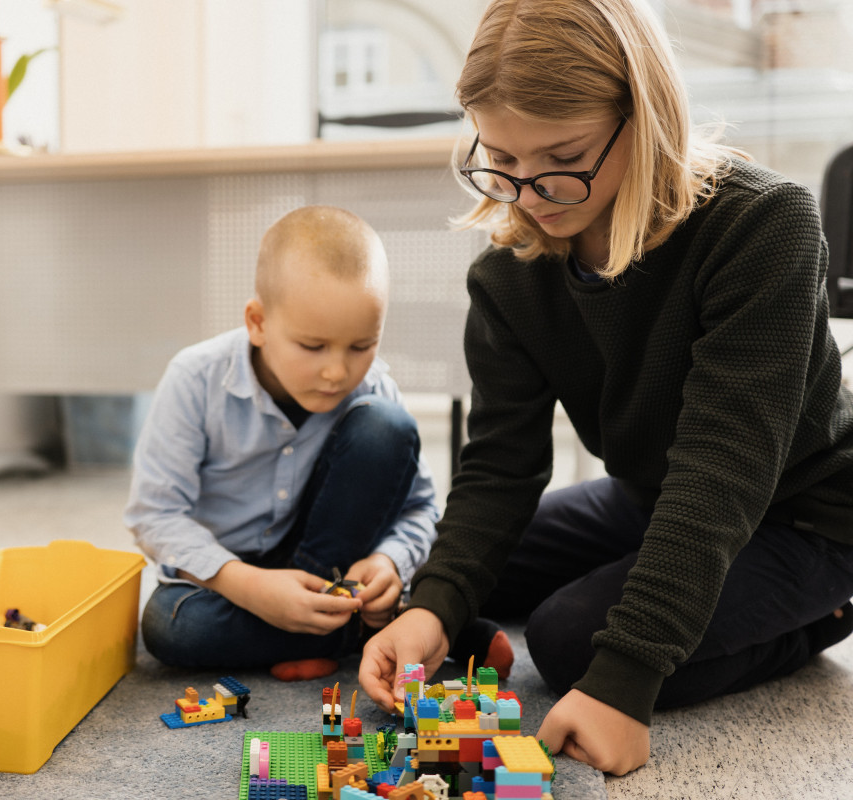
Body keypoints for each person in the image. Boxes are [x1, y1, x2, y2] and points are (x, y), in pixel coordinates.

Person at [358, 0, 853, 777]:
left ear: (645, 113)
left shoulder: (766, 226)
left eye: (563, 156)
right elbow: (499, 470)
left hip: (808, 515)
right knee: (446, 574)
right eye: (502, 160)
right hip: (651, 494)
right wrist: (430, 610)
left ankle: (821, 613)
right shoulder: (509, 276)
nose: (528, 193)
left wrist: (625, 684)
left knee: (570, 643)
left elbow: (720, 476)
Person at [125, 205, 458, 680]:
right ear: (257, 322)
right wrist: (250, 587)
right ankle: (371, 631)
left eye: (362, 347)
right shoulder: (195, 378)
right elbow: (153, 515)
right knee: (169, 626)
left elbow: (420, 509)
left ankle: (326, 626)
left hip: (331, 568)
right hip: (228, 578)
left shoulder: (374, 387)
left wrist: (390, 560)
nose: (337, 371)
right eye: (313, 346)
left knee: (387, 425)